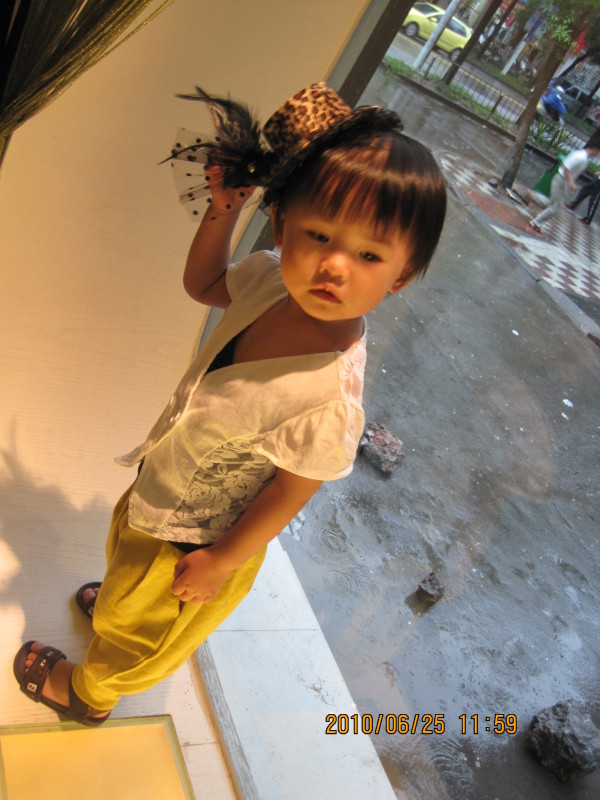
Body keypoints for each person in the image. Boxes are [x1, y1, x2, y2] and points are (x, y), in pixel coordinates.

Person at [13, 83, 447, 725]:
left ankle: (89, 693)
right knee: (127, 566)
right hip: (165, 482)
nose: (334, 265)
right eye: (319, 234)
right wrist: (223, 210)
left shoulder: (327, 395)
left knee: (145, 635)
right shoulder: (273, 279)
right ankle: (122, 602)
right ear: (282, 225)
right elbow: (206, 283)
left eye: (368, 254)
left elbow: (293, 490)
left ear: (401, 274)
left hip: (200, 540)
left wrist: (221, 561)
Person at [529, 145, 600, 234]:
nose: (598, 154)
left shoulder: (583, 157)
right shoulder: (581, 157)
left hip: (563, 181)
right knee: (555, 207)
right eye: (599, 151)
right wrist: (571, 182)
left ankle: (536, 213)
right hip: (561, 180)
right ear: (594, 149)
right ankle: (535, 221)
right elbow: (565, 167)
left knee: (555, 205)